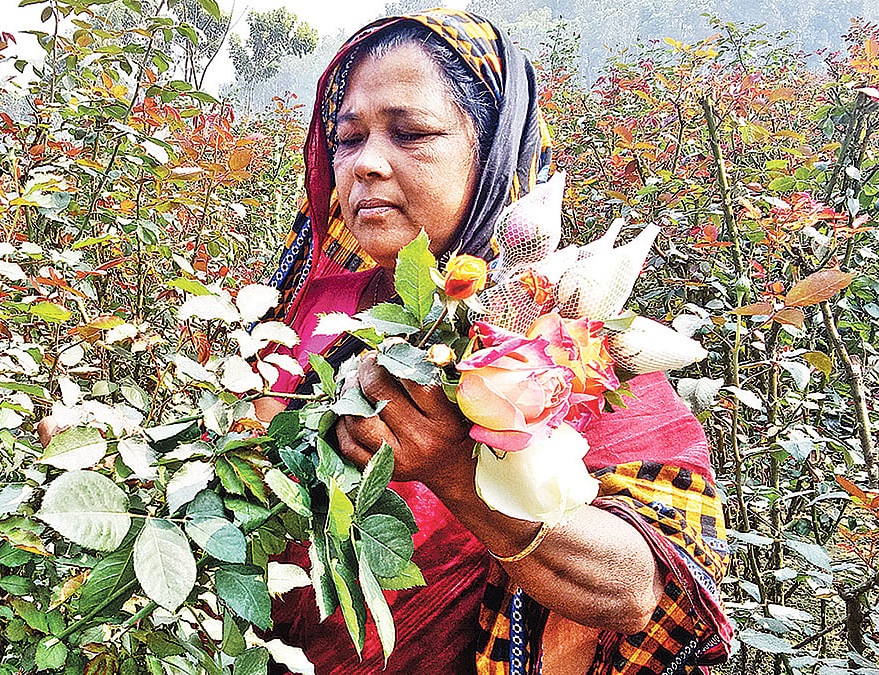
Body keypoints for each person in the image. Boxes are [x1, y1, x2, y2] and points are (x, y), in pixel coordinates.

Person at [252, 10, 733, 675]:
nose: (366, 163)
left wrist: (455, 471)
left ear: (492, 154)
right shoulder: (299, 312)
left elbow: (639, 588)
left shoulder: (563, 341)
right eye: (348, 137)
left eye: (411, 133)